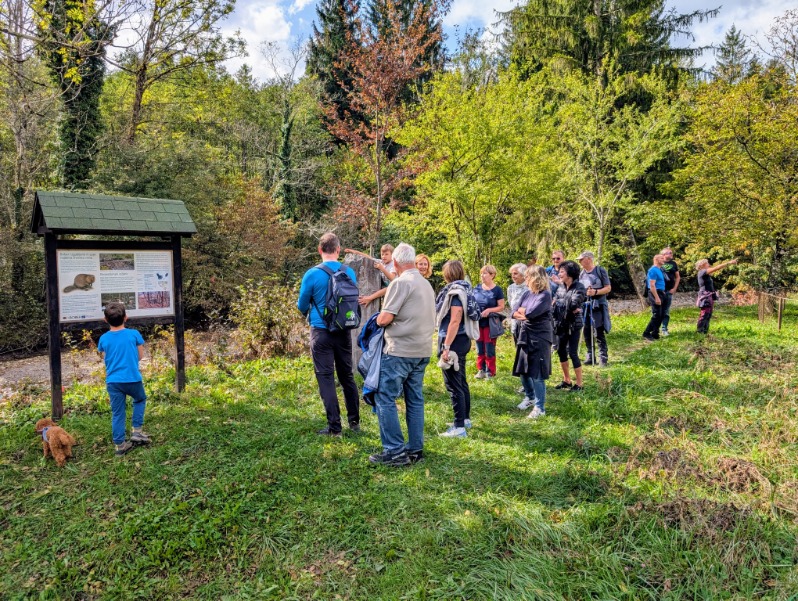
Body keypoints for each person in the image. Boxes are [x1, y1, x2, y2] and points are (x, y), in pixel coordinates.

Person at [370, 243, 436, 466]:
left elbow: (385, 318)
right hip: (422, 349)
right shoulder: (426, 284)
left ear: (396, 263)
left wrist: (378, 319)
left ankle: (395, 451)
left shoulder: (400, 283)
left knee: (384, 396)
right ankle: (415, 449)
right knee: (414, 399)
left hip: (400, 350)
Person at [297, 232, 361, 436]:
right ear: (338, 250)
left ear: (319, 250)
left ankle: (335, 427)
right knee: (347, 376)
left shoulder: (312, 274)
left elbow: (301, 305)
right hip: (343, 331)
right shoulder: (349, 272)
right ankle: (354, 422)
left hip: (321, 332)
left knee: (325, 377)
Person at [97, 301, 151, 456]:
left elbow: (105, 357)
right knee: (140, 399)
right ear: (126, 317)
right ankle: (137, 431)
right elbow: (140, 356)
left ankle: (120, 446)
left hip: (113, 381)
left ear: (105, 320)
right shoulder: (134, 334)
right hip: (132, 378)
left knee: (118, 413)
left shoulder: (104, 338)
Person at [436, 260, 479, 438]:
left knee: (454, 385)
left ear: (447, 274)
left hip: (453, 341)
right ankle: (464, 418)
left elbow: (455, 320)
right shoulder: (466, 288)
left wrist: (446, 346)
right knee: (461, 381)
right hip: (462, 339)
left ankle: (459, 427)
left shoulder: (455, 293)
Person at [512, 266, 554, 418]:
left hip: (540, 337)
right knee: (523, 369)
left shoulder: (545, 295)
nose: (526, 279)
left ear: (536, 278)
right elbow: (513, 311)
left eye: (528, 277)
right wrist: (522, 312)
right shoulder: (527, 293)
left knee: (537, 373)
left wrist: (523, 312)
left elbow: (531, 313)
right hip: (525, 335)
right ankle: (530, 397)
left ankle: (540, 407)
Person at [552, 261, 587, 391]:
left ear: (570, 273)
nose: (559, 274)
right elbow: (553, 303)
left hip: (574, 325)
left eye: (562, 271)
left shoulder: (580, 287)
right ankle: (567, 380)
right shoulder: (561, 287)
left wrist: (559, 303)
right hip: (561, 323)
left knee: (573, 353)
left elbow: (573, 305)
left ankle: (579, 384)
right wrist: (562, 304)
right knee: (561, 351)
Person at [577, 251, 611, 366]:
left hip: (598, 304)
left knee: (598, 330)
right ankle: (590, 355)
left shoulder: (600, 271)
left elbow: (608, 288)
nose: (579, 262)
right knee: (586, 330)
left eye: (581, 259)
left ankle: (603, 357)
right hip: (585, 304)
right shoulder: (581, 273)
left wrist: (595, 292)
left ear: (589, 259)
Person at [473, 264, 505, 379]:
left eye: (485, 273)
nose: (482, 275)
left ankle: (490, 371)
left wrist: (489, 310)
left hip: (490, 324)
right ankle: (481, 369)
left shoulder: (497, 290)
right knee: (479, 347)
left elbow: (501, 306)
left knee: (489, 348)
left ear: (492, 275)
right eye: (481, 273)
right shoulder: (476, 288)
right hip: (478, 322)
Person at [696, 258, 738, 334]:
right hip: (705, 296)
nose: (709, 264)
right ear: (702, 265)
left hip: (709, 295)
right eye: (707, 263)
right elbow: (716, 268)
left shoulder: (705, 273)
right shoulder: (702, 272)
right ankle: (700, 331)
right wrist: (729, 263)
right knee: (705, 313)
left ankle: (705, 331)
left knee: (708, 314)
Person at [643, 254, 667, 341]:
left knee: (661, 314)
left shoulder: (659, 269)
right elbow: (652, 285)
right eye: (661, 258)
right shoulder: (653, 270)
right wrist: (656, 297)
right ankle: (646, 333)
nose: (663, 259)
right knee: (656, 314)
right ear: (656, 260)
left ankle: (655, 333)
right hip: (655, 293)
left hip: (661, 292)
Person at [660, 247, 680, 337]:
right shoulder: (659, 262)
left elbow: (678, 277)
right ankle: (654, 328)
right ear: (664, 254)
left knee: (666, 311)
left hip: (669, 290)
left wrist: (674, 288)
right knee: (657, 311)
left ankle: (664, 329)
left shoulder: (673, 263)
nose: (672, 254)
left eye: (671, 253)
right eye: (670, 253)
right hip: (659, 291)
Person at [507, 264, 528, 343]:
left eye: (515, 273)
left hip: (527, 322)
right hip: (515, 321)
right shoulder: (510, 288)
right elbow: (511, 304)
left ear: (523, 274)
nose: (513, 276)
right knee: (517, 346)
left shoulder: (530, 287)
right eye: (512, 274)